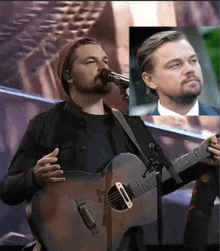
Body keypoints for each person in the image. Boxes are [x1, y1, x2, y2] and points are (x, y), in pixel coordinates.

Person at [0, 37, 219, 251]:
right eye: (91, 62)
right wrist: (34, 177)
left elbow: (158, 180)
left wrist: (201, 158)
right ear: (69, 74)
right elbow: (8, 190)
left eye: (105, 61)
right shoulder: (46, 124)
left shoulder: (129, 124)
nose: (103, 67)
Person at [136, 30, 219, 116]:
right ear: (150, 80)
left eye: (193, 61)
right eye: (175, 65)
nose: (190, 69)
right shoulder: (140, 127)